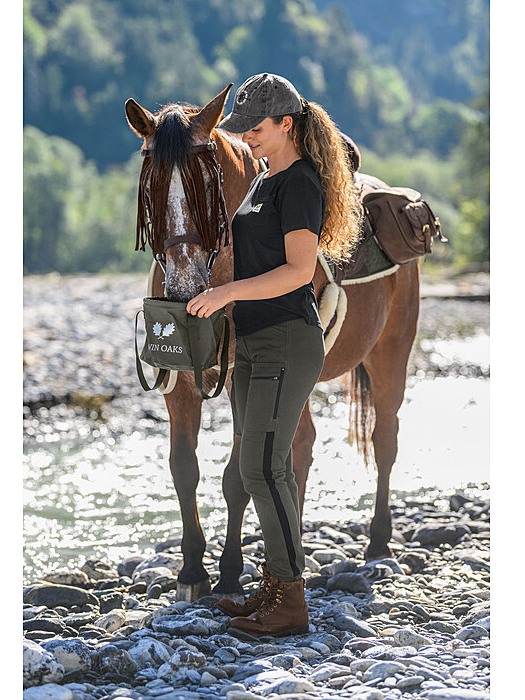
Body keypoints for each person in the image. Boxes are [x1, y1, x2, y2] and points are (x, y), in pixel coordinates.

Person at [186, 72, 362, 636]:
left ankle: (292, 603)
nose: (249, 138)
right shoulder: (264, 180)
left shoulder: (300, 184)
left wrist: (226, 292)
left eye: (257, 129)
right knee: (266, 464)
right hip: (254, 341)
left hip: (288, 337)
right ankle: (277, 586)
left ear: (287, 125)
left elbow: (299, 272)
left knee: (261, 465)